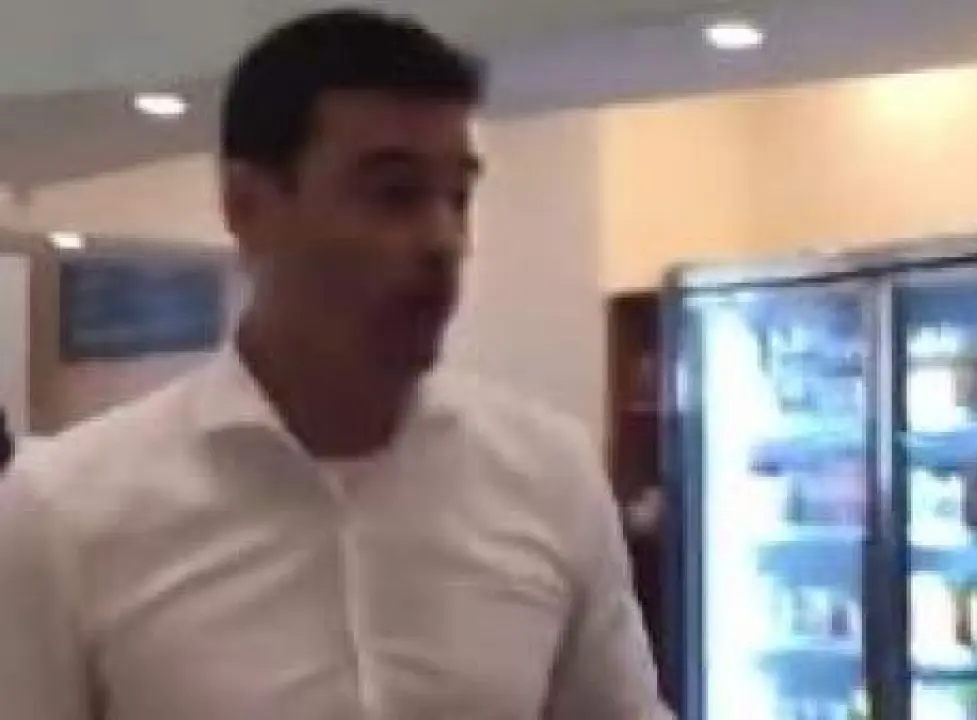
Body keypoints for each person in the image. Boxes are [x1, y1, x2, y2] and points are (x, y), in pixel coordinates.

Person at [0, 10, 669, 720]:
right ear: (248, 206)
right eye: (394, 194)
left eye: (458, 197)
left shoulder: (549, 478)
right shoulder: (64, 511)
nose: (444, 239)